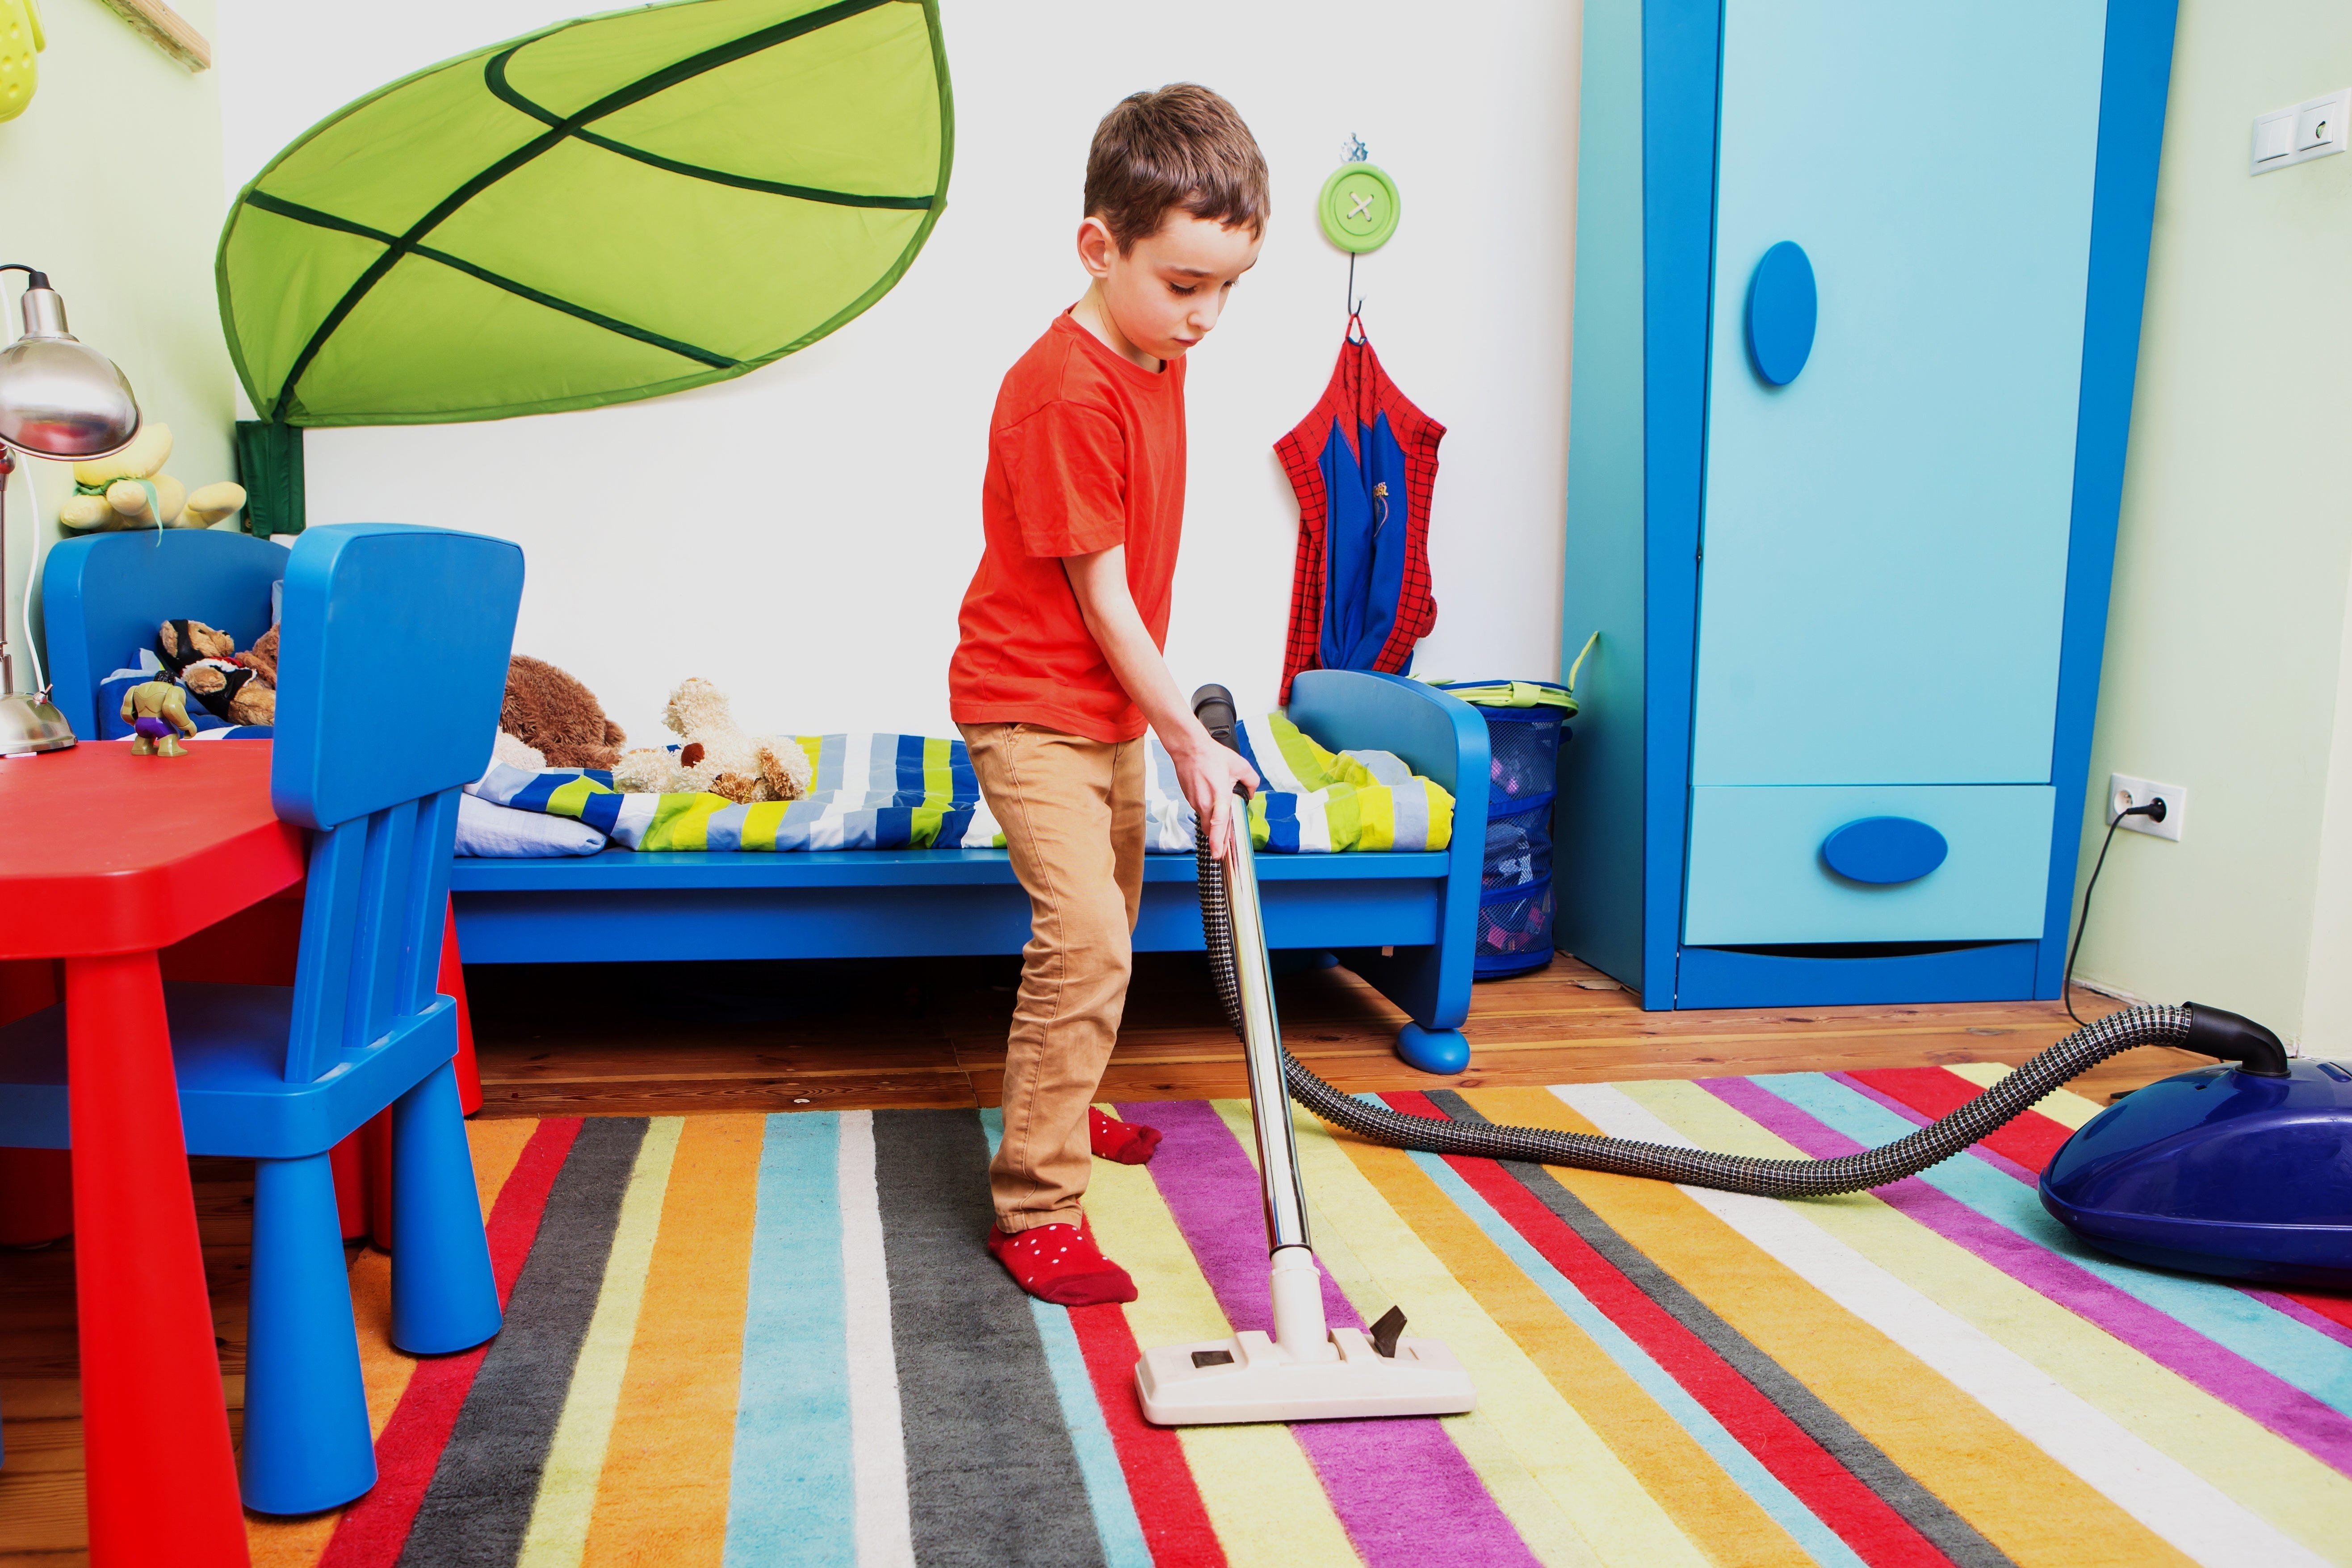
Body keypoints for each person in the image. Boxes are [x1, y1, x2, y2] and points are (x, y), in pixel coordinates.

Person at [949, 84, 1268, 1305]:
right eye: (1184, 284)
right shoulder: (1066, 389)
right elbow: (1102, 596)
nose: (1207, 316)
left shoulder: (1147, 350)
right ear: (1099, 245)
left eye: (1228, 287)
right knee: (1080, 940)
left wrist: (1156, 724)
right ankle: (1037, 1202)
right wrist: (1188, 733)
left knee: (1116, 931)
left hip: (1104, 706)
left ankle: (1072, 1108)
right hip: (1028, 703)